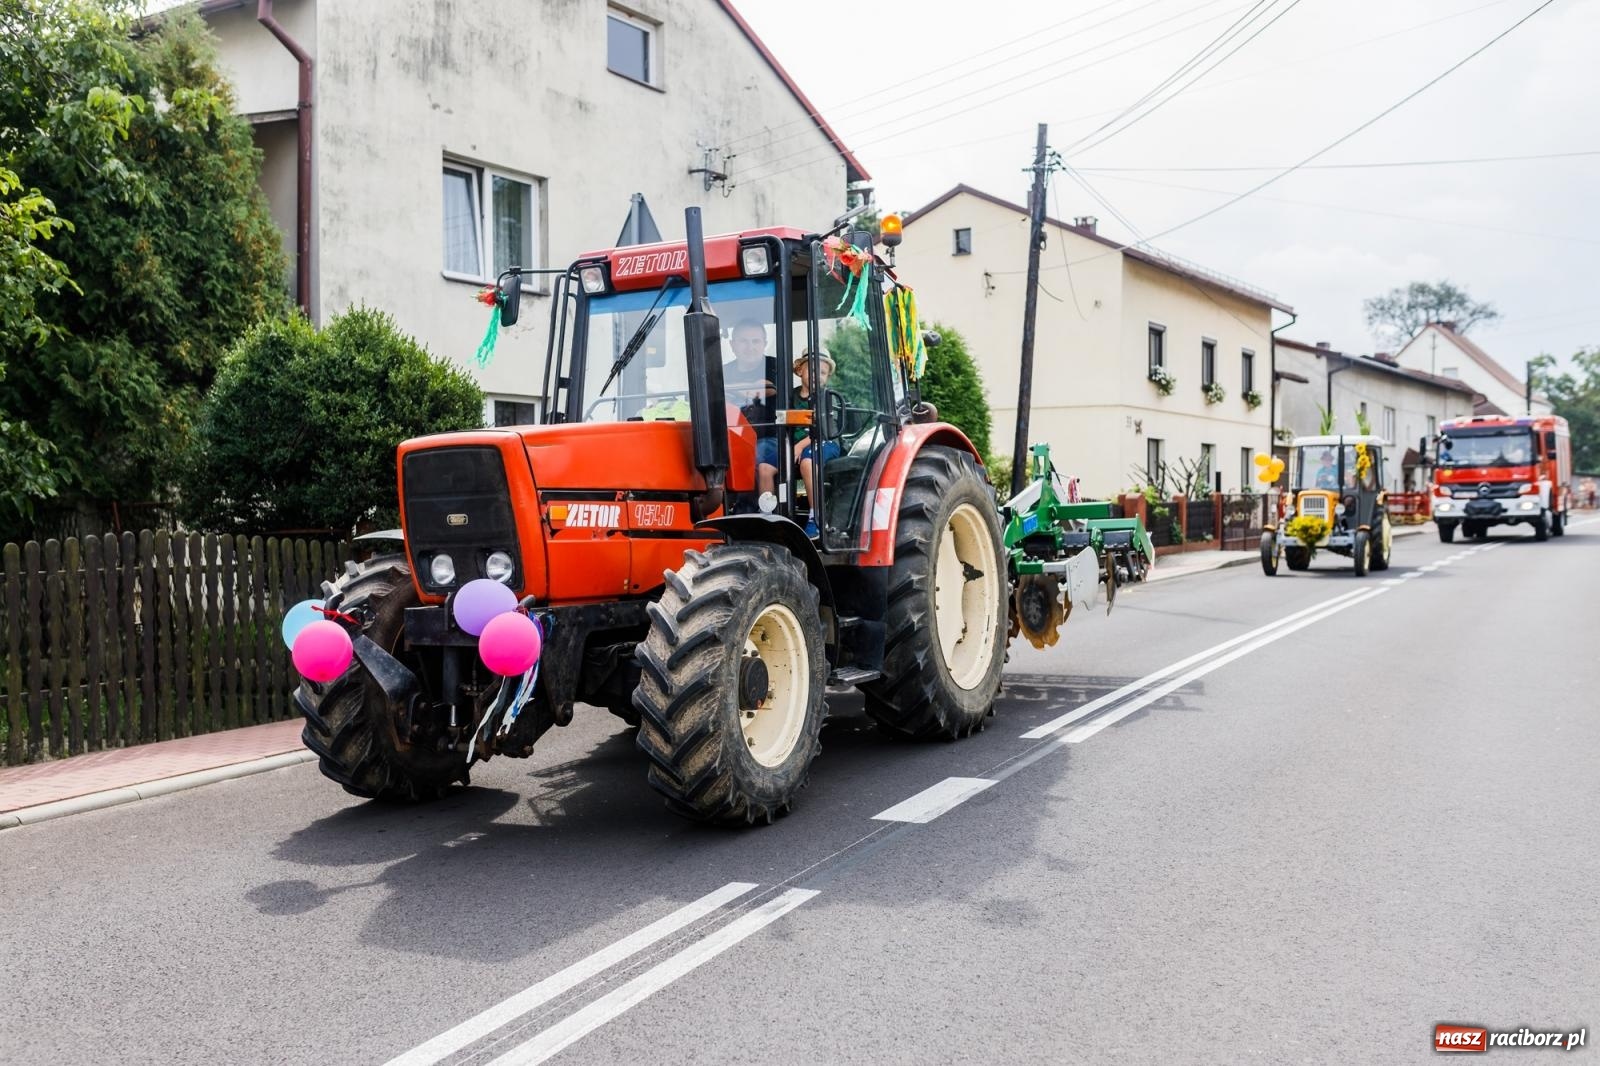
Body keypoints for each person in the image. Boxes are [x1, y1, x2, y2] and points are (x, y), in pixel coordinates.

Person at [723, 319, 779, 502]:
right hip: (732, 436)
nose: (750, 347)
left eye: (755, 341)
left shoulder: (774, 366)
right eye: (743, 341)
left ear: (764, 343)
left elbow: (765, 388)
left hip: (770, 438)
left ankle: (751, 509)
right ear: (732, 345)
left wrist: (732, 391)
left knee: (752, 454)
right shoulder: (723, 371)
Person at [790, 351, 841, 537]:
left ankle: (817, 517)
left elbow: (822, 430)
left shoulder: (826, 397)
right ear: (799, 371)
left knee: (808, 462)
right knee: (765, 464)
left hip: (825, 442)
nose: (817, 375)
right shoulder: (791, 396)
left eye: (823, 372)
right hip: (799, 445)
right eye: (812, 370)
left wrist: (798, 447)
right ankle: (767, 511)